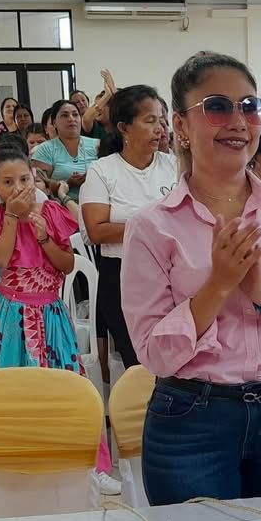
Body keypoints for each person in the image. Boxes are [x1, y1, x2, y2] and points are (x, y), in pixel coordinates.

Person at [121, 51, 261, 505]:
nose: (238, 122)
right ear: (181, 125)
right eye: (217, 107)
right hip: (190, 419)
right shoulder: (151, 226)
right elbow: (153, 351)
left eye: (250, 106)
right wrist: (219, 285)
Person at [80, 84, 177, 370]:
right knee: (142, 366)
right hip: (122, 276)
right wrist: (153, 225)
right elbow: (97, 231)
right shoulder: (103, 171)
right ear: (124, 128)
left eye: (162, 120)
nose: (160, 128)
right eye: (150, 121)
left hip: (173, 274)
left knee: (177, 361)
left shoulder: (175, 166)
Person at [0, 145, 82, 371]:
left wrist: (44, 239)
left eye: (24, 179)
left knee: (57, 381)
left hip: (50, 312)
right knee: (13, 382)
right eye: (8, 182)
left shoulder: (51, 211)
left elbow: (68, 265)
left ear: (33, 177)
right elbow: (1, 260)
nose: (18, 188)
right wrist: (12, 214)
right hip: (9, 313)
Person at [32, 99, 100, 204]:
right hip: (61, 207)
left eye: (75, 114)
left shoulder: (97, 145)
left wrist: (91, 176)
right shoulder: (44, 150)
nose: (71, 118)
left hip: (97, 204)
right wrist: (67, 183)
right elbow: (38, 183)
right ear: (54, 123)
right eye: (65, 115)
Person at [83, 69, 117, 139]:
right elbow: (86, 118)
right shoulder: (95, 126)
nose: (98, 109)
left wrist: (114, 91)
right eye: (96, 104)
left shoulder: (120, 125)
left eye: (102, 104)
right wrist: (107, 94)